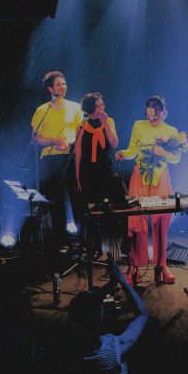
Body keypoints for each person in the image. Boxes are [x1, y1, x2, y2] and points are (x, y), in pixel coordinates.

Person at [65, 258, 148, 374]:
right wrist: (121, 280)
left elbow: (87, 309)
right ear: (100, 318)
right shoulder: (115, 348)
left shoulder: (67, 350)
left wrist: (111, 284)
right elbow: (142, 313)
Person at [115, 95, 186, 286]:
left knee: (161, 221)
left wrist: (163, 153)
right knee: (136, 222)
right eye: (148, 115)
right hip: (140, 176)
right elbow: (132, 151)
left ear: (164, 113)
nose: (151, 118)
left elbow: (176, 158)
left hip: (160, 178)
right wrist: (123, 153)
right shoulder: (138, 126)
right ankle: (134, 267)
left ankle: (161, 265)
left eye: (155, 115)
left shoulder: (171, 131)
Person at [30, 70, 82, 247]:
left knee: (76, 198)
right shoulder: (42, 110)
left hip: (70, 157)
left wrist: (68, 142)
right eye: (59, 84)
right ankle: (61, 243)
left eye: (64, 83)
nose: (63, 87)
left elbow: (80, 134)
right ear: (50, 89)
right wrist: (53, 141)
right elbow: (35, 139)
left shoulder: (75, 107)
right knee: (56, 202)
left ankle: (82, 241)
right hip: (50, 160)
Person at [74, 92, 123, 258]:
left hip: (106, 169)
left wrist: (106, 123)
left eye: (102, 104)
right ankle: (94, 247)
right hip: (88, 172)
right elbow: (78, 153)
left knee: (120, 205)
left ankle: (122, 246)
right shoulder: (82, 126)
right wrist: (77, 177)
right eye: (98, 106)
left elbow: (114, 143)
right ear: (90, 108)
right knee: (90, 212)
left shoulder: (109, 121)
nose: (102, 108)